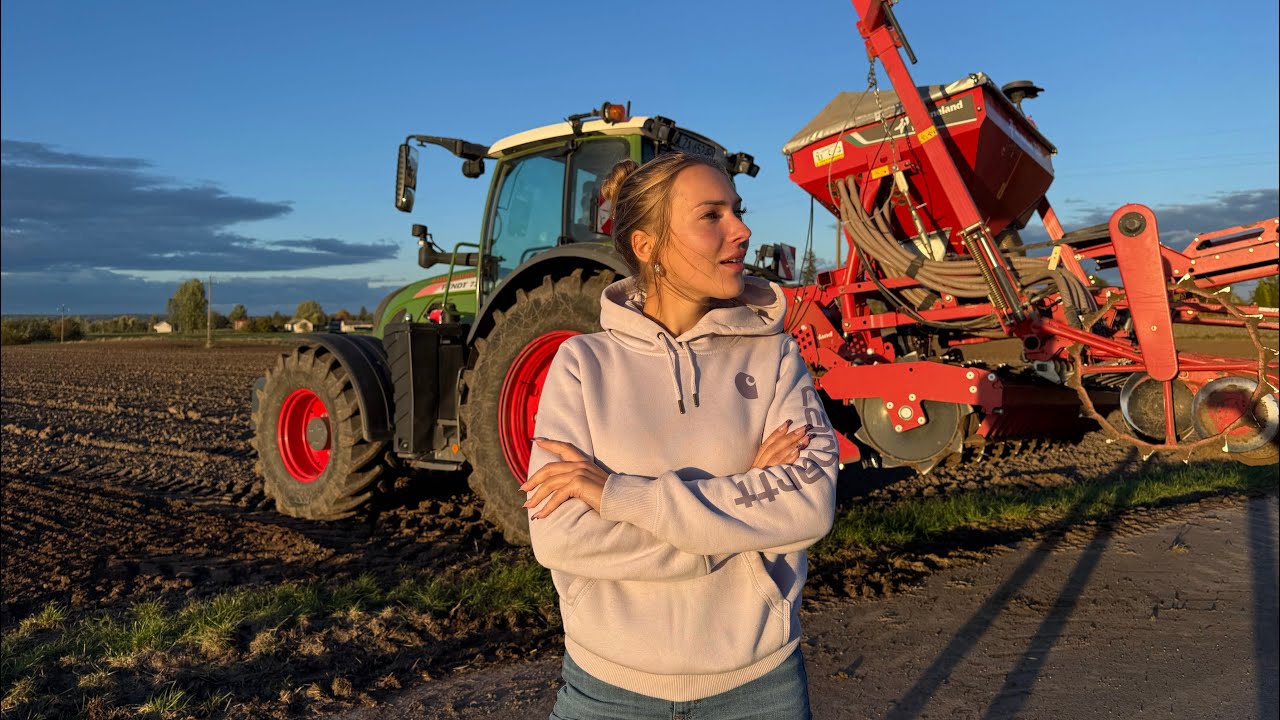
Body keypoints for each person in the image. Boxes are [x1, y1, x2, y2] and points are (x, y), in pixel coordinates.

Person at [522, 151, 840, 719]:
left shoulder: (775, 356)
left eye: (737, 212)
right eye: (711, 215)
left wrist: (619, 496)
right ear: (647, 247)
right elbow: (560, 537)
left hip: (757, 689)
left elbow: (810, 505)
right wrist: (743, 508)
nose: (742, 230)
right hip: (607, 689)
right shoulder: (581, 365)